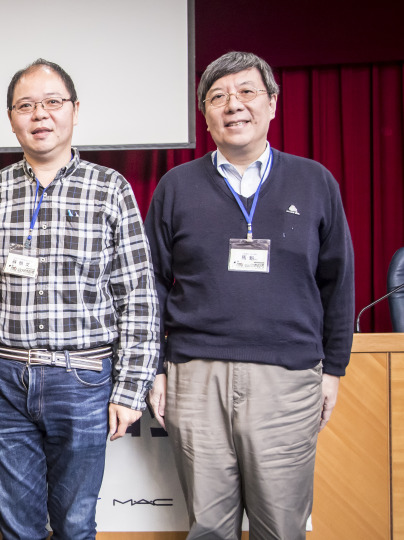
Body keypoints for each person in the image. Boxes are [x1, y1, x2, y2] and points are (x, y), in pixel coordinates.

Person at [143, 51, 354, 539]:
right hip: (196, 376)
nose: (233, 105)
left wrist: (334, 368)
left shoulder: (315, 181)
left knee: (280, 526)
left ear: (272, 104)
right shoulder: (176, 186)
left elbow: (338, 279)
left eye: (246, 92)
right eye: (218, 97)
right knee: (208, 527)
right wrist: (155, 368)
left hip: (287, 378)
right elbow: (150, 284)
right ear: (205, 114)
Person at [0, 59, 160, 539]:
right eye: (26, 105)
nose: (40, 114)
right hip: (2, 378)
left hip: (82, 380)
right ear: (11, 118)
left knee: (76, 525)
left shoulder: (110, 188)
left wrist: (130, 389)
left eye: (52, 102)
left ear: (75, 110)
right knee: (17, 526)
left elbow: (138, 295)